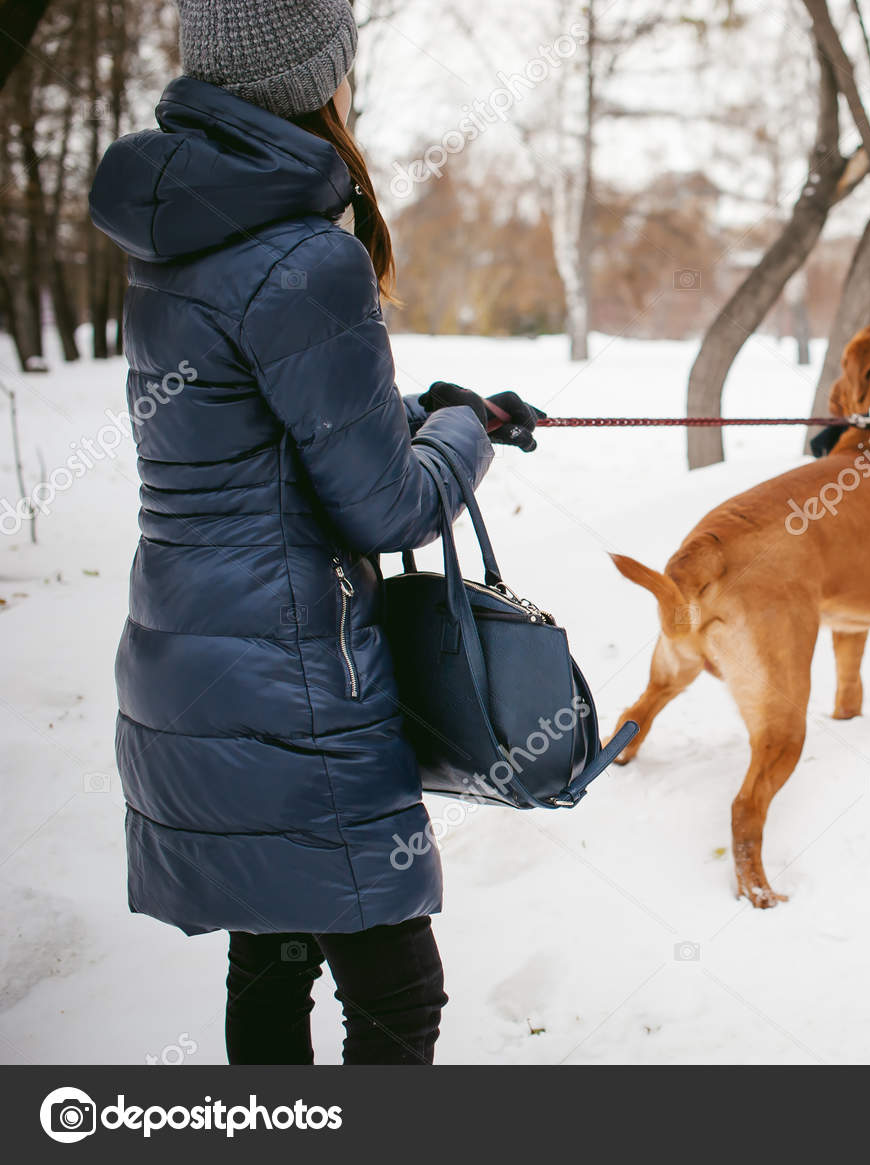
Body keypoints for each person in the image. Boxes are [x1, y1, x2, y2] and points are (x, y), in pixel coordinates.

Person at [88, 0, 541, 1065]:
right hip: (297, 677)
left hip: (189, 657)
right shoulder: (306, 256)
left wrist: (428, 410)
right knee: (396, 989)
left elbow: (261, 431)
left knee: (274, 959)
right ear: (318, 75)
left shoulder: (176, 230)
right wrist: (469, 431)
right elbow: (389, 507)